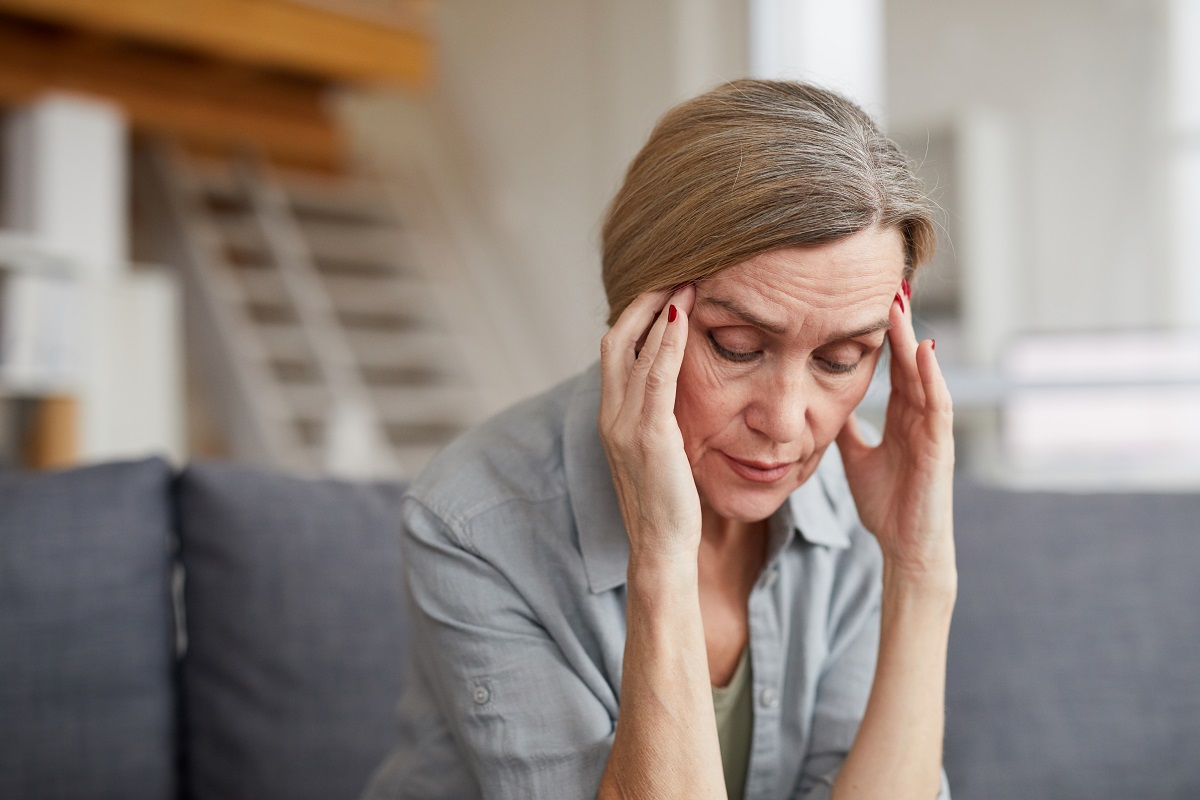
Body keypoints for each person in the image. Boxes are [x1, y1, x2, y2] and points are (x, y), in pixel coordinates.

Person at [363, 79, 955, 800]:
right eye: (737, 346)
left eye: (841, 360)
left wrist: (918, 574)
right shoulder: (472, 521)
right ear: (635, 319)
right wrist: (662, 560)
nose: (787, 419)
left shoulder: (854, 504)